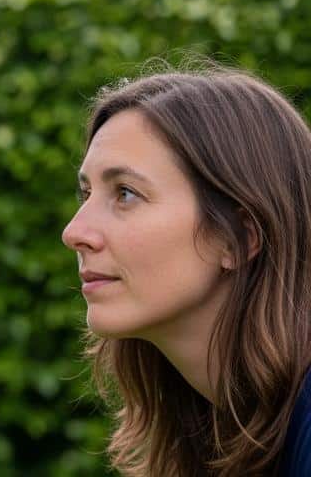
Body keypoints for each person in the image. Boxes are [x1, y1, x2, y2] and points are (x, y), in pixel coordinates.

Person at [61, 66, 311, 476]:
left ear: (238, 237)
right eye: (86, 193)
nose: (74, 232)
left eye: (126, 193)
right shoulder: (216, 424)